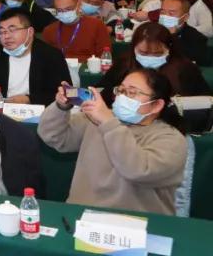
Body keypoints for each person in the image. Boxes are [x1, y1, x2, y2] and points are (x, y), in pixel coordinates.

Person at [38, 69, 187, 215]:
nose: (122, 97)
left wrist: (108, 122)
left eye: (132, 92)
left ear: (157, 105)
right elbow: (54, 136)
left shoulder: (170, 139)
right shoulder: (97, 120)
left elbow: (138, 170)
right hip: (83, 215)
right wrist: (61, 107)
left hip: (136, 222)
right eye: (120, 91)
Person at [0, 8, 70, 106]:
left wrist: (29, 99)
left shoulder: (51, 55)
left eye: (12, 30)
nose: (6, 36)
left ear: (30, 32)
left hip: (40, 113)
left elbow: (66, 94)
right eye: (2, 32)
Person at [95, 22, 209, 103]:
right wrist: (118, 93)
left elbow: (206, 99)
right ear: (134, 48)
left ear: (169, 49)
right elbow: (101, 91)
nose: (150, 57)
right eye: (143, 53)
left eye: (157, 54)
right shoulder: (124, 64)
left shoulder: (185, 69)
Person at [42, 0, 111, 62]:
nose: (65, 13)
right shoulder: (49, 30)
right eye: (60, 10)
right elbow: (46, 59)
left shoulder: (97, 25)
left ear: (79, 4)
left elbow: (105, 58)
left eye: (69, 9)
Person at [154, 0, 206, 64]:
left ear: (185, 17)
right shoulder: (153, 31)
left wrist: (173, 37)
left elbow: (190, 60)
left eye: (171, 13)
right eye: (162, 12)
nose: (165, 16)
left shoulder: (196, 38)